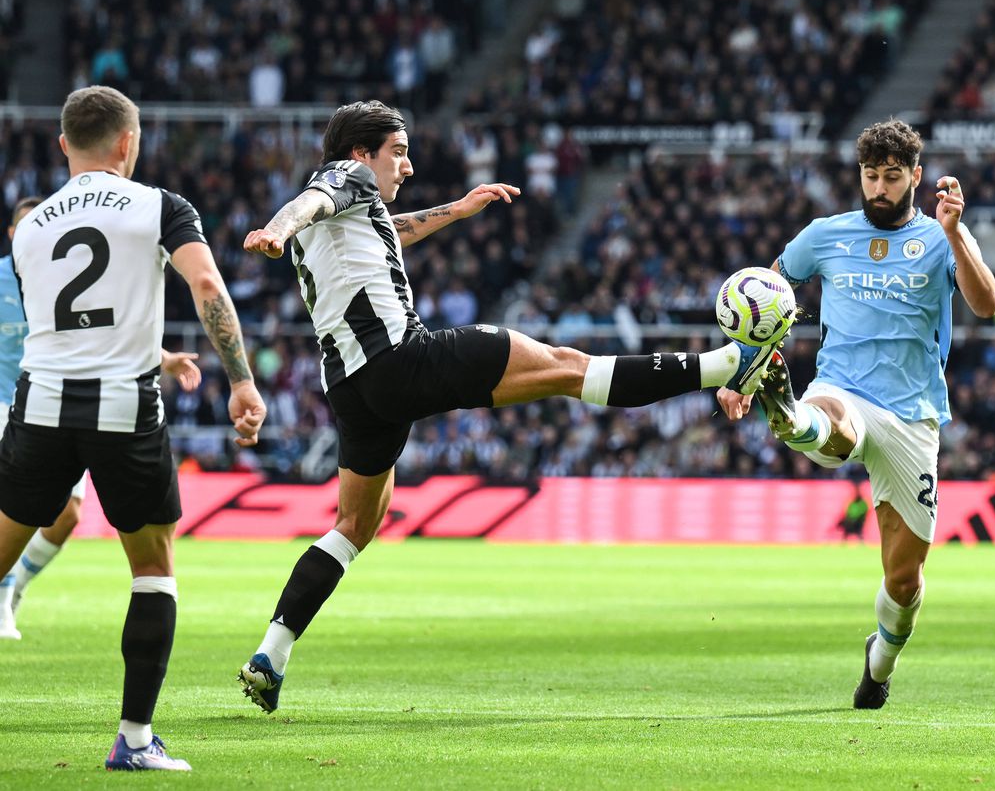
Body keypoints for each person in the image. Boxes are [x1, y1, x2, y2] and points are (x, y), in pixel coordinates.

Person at [238, 100, 775, 713]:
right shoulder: (340, 181)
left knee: (354, 526)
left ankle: (270, 654)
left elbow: (388, 229)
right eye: (399, 151)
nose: (408, 166)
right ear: (360, 155)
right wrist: (276, 229)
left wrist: (459, 210)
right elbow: (307, 201)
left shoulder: (353, 211)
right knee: (570, 369)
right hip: (401, 358)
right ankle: (727, 365)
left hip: (353, 388)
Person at [0, 86, 266, 770]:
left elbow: (63, 328)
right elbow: (206, 286)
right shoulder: (159, 207)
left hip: (41, 406)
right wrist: (240, 380)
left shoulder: (28, 229)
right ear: (129, 143)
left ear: (64, 145)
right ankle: (136, 742)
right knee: (152, 571)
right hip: (124, 408)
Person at [717, 120, 995, 709]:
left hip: (913, 415)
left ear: (915, 177)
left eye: (892, 177)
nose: (878, 187)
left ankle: (880, 661)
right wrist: (744, 368)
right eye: (870, 176)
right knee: (826, 421)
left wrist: (956, 234)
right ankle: (791, 415)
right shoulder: (825, 234)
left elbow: (987, 303)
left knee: (904, 580)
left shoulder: (940, 237)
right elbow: (767, 290)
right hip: (840, 390)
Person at [0, 197, 205, 640]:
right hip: (11, 402)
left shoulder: (58, 265)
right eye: (18, 227)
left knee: (68, 514)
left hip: (56, 400)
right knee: (13, 513)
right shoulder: (6, 274)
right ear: (14, 234)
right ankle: (4, 600)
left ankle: (14, 592)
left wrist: (165, 358)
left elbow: (103, 331)